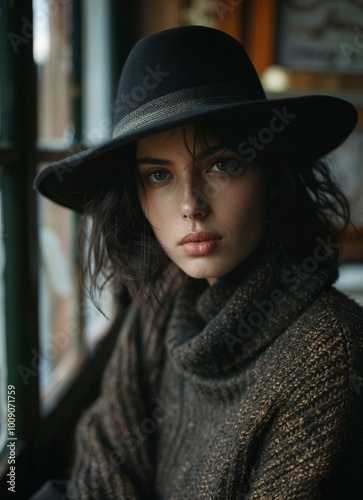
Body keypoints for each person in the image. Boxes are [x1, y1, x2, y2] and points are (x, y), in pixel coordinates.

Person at [33, 25, 363, 499]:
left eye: (221, 164)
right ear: (137, 198)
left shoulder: (330, 353)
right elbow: (103, 452)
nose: (190, 204)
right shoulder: (166, 300)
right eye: (159, 175)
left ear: (271, 176)